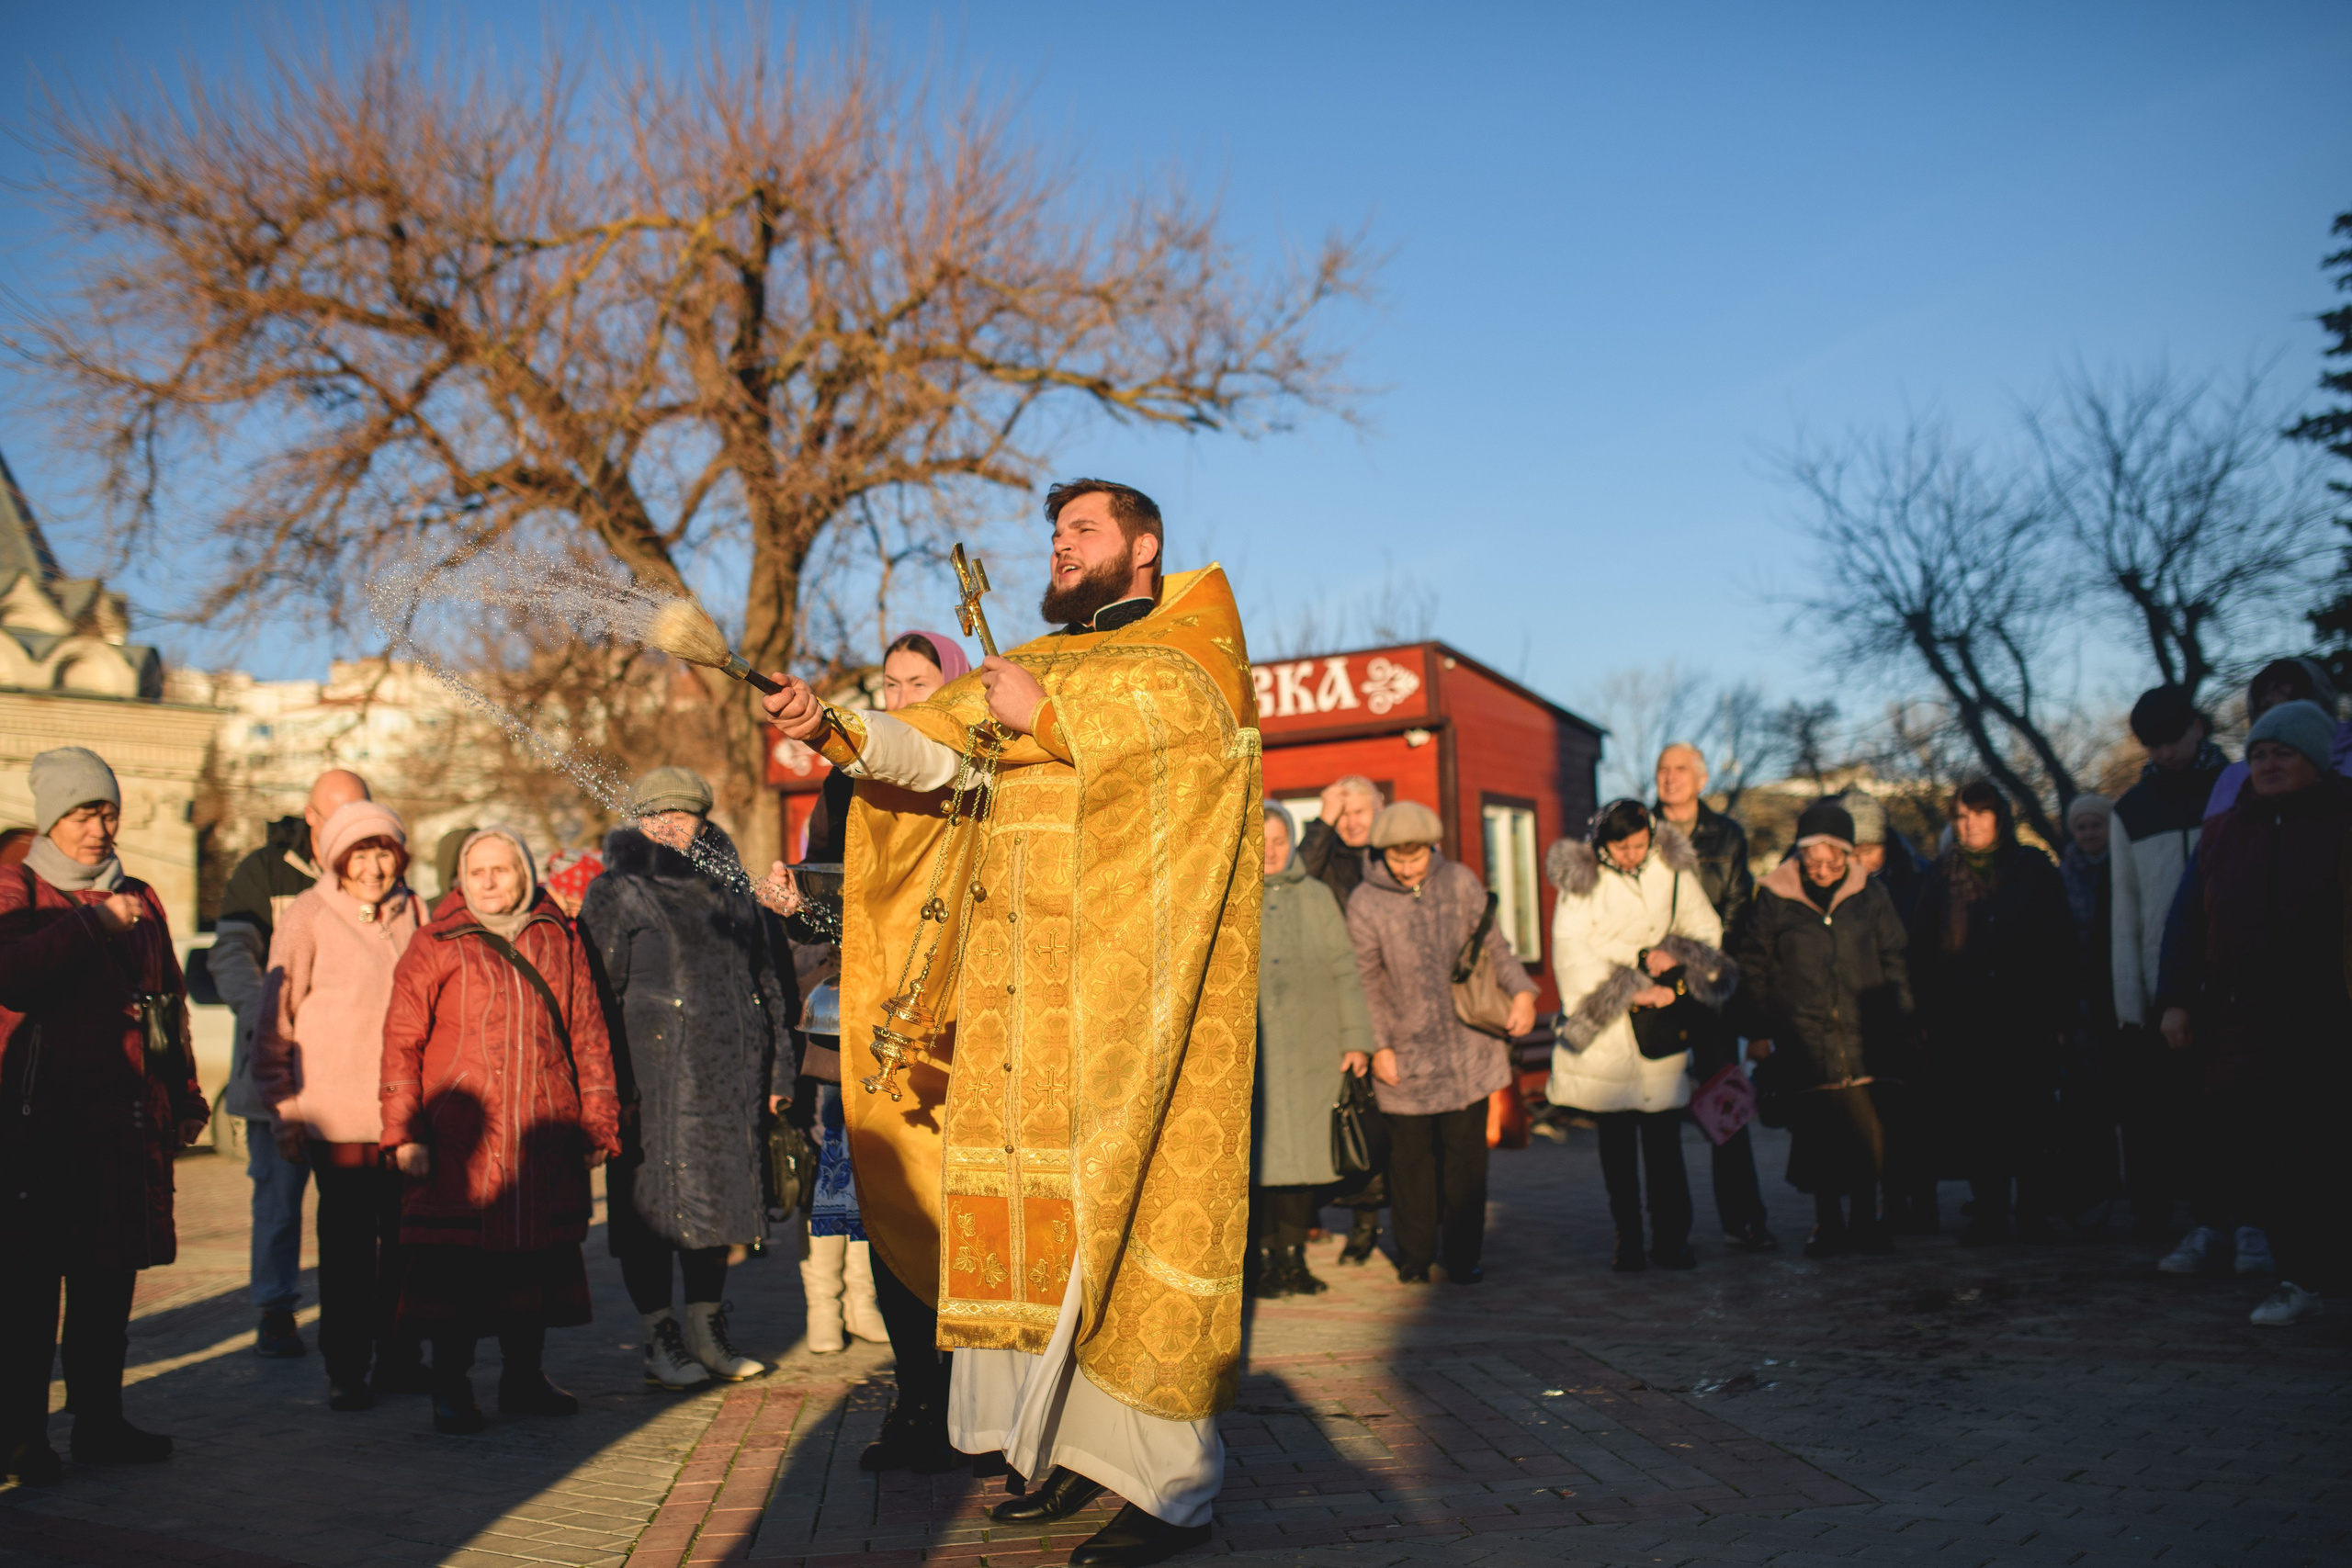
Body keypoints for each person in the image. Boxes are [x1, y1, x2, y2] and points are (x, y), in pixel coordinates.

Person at [763, 479, 1260, 1565]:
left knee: (1125, 1234)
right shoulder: (1041, 659)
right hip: (1013, 1007)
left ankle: (1170, 1489)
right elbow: (935, 758)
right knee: (1038, 1246)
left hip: (1125, 1013)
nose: (1060, 543)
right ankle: (1058, 1452)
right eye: (1055, 531)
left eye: (1083, 527)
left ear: (1145, 545)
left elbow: (1189, 759)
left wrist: (1054, 720)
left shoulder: (1187, 659)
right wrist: (834, 730)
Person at [0, 748, 209, 1482]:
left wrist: (182, 1095)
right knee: (28, 1291)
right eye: (85, 812)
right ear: (54, 817)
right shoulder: (16, 884)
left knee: (106, 1282)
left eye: (108, 811)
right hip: (37, 1124)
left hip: (124, 1121)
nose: (100, 827)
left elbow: (168, 1002)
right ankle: (22, 1437)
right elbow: (13, 974)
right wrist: (95, 923)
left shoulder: (143, 895)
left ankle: (99, 1422)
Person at [787, 627, 967, 1470]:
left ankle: (982, 1403)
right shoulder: (843, 781)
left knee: (963, 1216)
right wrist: (798, 903)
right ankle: (919, 1400)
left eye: (919, 680)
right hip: (875, 1029)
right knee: (892, 1210)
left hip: (964, 1030)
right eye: (890, 684)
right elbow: (837, 911)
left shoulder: (979, 771)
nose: (901, 698)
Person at [380, 828, 621, 1436]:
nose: (489, 881)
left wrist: (598, 1118)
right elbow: (400, 1043)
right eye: (477, 870)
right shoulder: (433, 942)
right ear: (461, 877)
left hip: (541, 1130)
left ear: (525, 873)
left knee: (531, 1261)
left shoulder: (558, 937)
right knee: (454, 1269)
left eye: (502, 869)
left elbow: (588, 1033)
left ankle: (524, 1376)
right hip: (461, 1137)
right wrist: (403, 1132)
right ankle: (451, 1384)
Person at [580, 769, 799, 1393]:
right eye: (656, 814)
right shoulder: (616, 890)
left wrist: (779, 1069)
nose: (670, 826)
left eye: (683, 815)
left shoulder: (735, 888)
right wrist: (606, 1089)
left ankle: (707, 1328)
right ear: (638, 820)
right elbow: (596, 995)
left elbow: (771, 987)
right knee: (652, 1211)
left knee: (720, 1205)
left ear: (705, 821)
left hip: (732, 1079)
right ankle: (659, 1335)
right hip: (650, 1085)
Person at [2157, 701, 2351, 1325]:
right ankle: (2299, 1280)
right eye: (2259, 753)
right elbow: (2186, 919)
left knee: (2329, 1150)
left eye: (2283, 752)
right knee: (2272, 1157)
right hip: (2247, 1020)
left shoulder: (2343, 817)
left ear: (2317, 761)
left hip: (2330, 1014)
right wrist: (2177, 998)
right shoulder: (2226, 830)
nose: (2267, 764)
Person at [251, 799, 424, 1410]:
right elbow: (276, 1015)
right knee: (348, 1252)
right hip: (336, 1118)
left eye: (384, 851)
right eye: (360, 852)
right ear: (337, 858)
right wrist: (283, 1103)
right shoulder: (308, 913)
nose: (374, 866)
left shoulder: (416, 912)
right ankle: (346, 1367)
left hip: (404, 1117)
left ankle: (401, 1356)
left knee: (407, 1246)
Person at [209, 767, 370, 1359]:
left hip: (352, 1080)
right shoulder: (263, 872)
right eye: (338, 815)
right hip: (278, 1072)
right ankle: (275, 1309)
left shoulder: (375, 869)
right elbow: (231, 955)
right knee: (277, 1201)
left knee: (358, 1207)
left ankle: (361, 1313)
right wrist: (273, 1019)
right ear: (312, 817)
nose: (353, 829)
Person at [1349, 800, 1539, 1287]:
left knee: (1466, 1163)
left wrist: (1522, 991)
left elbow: (1494, 944)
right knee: (1410, 1165)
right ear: (1382, 853)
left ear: (1433, 847)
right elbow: (1364, 980)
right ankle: (1414, 1257)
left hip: (1469, 1051)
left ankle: (1463, 1255)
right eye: (1397, 859)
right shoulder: (1365, 903)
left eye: (1416, 858)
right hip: (1403, 1056)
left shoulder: (1459, 881)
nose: (1408, 868)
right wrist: (1379, 1046)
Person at [1546, 799, 1731, 1272]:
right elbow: (1570, 950)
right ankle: (1627, 1239)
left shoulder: (1670, 867)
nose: (1631, 854)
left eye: (1638, 844)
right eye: (1620, 846)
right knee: (1618, 1142)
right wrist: (1628, 991)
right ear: (1601, 843)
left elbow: (1704, 924)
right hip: (1609, 1023)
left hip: (1662, 1021)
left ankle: (1672, 1239)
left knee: (1664, 1138)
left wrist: (1676, 954)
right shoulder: (1581, 880)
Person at [1732, 800, 1912, 1258]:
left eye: (1833, 857)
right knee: (1819, 1135)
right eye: (1814, 857)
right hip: (1803, 1035)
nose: (1824, 867)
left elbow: (1895, 959)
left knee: (1867, 1133)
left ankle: (1865, 1222)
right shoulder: (1775, 896)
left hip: (1863, 1033)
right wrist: (1757, 1030)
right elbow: (1754, 965)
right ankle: (1827, 1224)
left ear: (1848, 854)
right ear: (1800, 854)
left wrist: (1903, 1017)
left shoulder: (1871, 895)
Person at [1906, 782, 2075, 1245]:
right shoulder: (1942, 875)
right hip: (1964, 1021)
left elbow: (2060, 941)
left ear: (1998, 816)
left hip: (2027, 1016)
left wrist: (2061, 1015)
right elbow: (1921, 950)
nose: (1970, 825)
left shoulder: (2033, 868)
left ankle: (2034, 1211)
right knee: (1979, 1120)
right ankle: (1990, 1212)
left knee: (2031, 1116)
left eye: (1979, 814)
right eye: (1961, 817)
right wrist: (1924, 1016)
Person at [2109, 685, 2243, 1265]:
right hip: (2168, 983)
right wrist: (2130, 1001)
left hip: (2237, 973)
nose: (2165, 753)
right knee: (2189, 1109)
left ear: (2197, 727)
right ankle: (2209, 1219)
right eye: (2153, 744)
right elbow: (2125, 910)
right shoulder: (2133, 809)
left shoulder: (2237, 788)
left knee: (2244, 1104)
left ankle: (2255, 1217)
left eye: (2173, 738)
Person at [1652, 744, 1774, 1254]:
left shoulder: (1727, 836)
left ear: (1702, 780)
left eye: (1681, 770)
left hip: (1708, 988)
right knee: (1657, 1111)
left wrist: (1692, 959)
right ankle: (1669, 1231)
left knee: (1726, 1107)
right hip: (1653, 991)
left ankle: (1744, 1219)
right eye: (1663, 770)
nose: (1671, 778)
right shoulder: (1640, 832)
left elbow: (1737, 913)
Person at [1252, 803, 1375, 1298]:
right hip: (1254, 1058)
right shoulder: (1232, 893)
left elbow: (1346, 970)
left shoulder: (1318, 896)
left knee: (1302, 1163)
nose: (1271, 852)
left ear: (1292, 842)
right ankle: (1262, 1261)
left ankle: (1293, 1259)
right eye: (1262, 843)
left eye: (1279, 842)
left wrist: (1356, 1040)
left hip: (1313, 1050)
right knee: (1258, 1164)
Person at [1295, 775, 1388, 1265]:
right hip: (1333, 1006)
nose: (1353, 821)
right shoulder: (1324, 857)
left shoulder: (1392, 855)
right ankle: (1332, 1213)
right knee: (1343, 1111)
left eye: (1360, 810)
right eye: (1344, 812)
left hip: (1387, 1004)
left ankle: (1371, 1218)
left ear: (1382, 809)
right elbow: (1296, 873)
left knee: (1378, 1115)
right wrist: (1323, 820)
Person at [2201, 659, 2346, 819]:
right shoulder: (2234, 778)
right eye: (2267, 708)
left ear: (2321, 705)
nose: (2279, 715)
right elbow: (2214, 841)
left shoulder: (2347, 761)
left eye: (2292, 704)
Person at [1836, 787, 1928, 926]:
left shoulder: (1918, 875)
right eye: (1852, 854)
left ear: (1885, 845)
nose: (1861, 862)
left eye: (1869, 852)